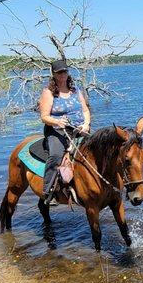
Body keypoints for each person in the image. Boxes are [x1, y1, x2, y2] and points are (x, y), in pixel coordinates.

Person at [39, 59, 91, 204]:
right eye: (59, 72)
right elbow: (44, 117)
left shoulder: (75, 91)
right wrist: (57, 121)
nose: (62, 75)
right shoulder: (49, 93)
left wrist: (86, 124)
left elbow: (86, 110)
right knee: (56, 155)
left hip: (79, 129)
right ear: (54, 74)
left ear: (68, 73)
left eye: (65, 72)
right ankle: (48, 192)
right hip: (57, 130)